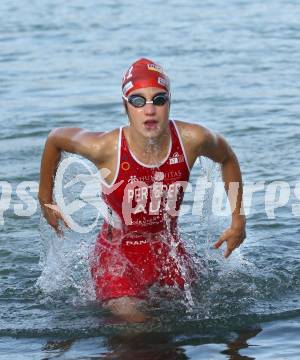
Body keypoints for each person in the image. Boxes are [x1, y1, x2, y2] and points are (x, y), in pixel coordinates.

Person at [39, 58, 246, 322]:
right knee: (139, 329)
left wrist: (238, 220)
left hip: (168, 248)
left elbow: (226, 157)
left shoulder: (192, 140)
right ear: (125, 106)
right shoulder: (106, 147)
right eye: (138, 101)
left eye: (158, 100)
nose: (149, 110)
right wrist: (46, 198)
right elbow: (55, 138)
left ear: (169, 102)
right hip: (116, 258)